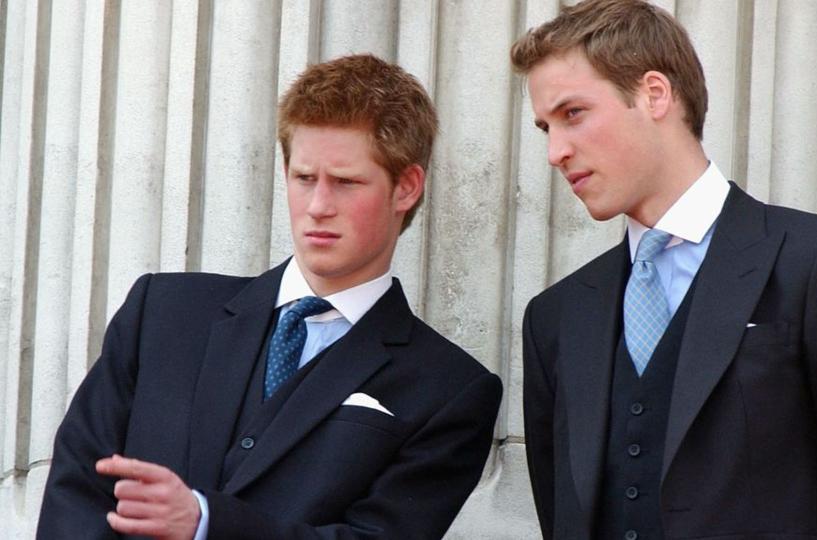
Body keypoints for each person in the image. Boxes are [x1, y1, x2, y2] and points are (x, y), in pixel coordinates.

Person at [512, 1, 817, 538]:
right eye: (545, 127)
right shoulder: (555, 316)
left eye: (573, 114)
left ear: (654, 94)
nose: (555, 151)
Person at [37, 54, 502, 539]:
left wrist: (208, 524)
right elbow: (76, 490)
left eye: (345, 182)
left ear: (406, 187)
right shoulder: (162, 312)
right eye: (304, 178)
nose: (318, 206)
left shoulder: (451, 390)